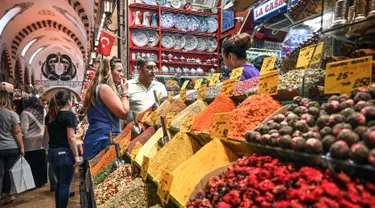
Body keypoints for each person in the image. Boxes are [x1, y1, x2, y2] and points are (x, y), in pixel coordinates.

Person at [83, 56, 130, 160]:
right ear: (109, 71)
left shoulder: (96, 88)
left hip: (97, 138)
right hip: (104, 139)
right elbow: (124, 113)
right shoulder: (104, 88)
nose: (122, 74)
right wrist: (125, 92)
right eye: (119, 71)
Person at [45, 90, 80, 208]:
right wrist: (76, 155)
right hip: (65, 153)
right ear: (69, 101)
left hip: (52, 152)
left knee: (60, 183)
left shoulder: (50, 115)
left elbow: (48, 136)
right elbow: (71, 137)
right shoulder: (69, 115)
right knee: (65, 184)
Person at [0, 90, 24, 205]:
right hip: (11, 147)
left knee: (0, 173)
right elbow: (16, 132)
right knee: (9, 172)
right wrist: (22, 147)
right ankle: (8, 196)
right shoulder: (12, 114)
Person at [20, 96, 47, 188]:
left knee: (32, 163)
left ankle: (34, 182)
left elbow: (23, 130)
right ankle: (42, 180)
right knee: (41, 161)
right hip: (42, 140)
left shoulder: (25, 113)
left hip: (29, 142)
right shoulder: (43, 111)